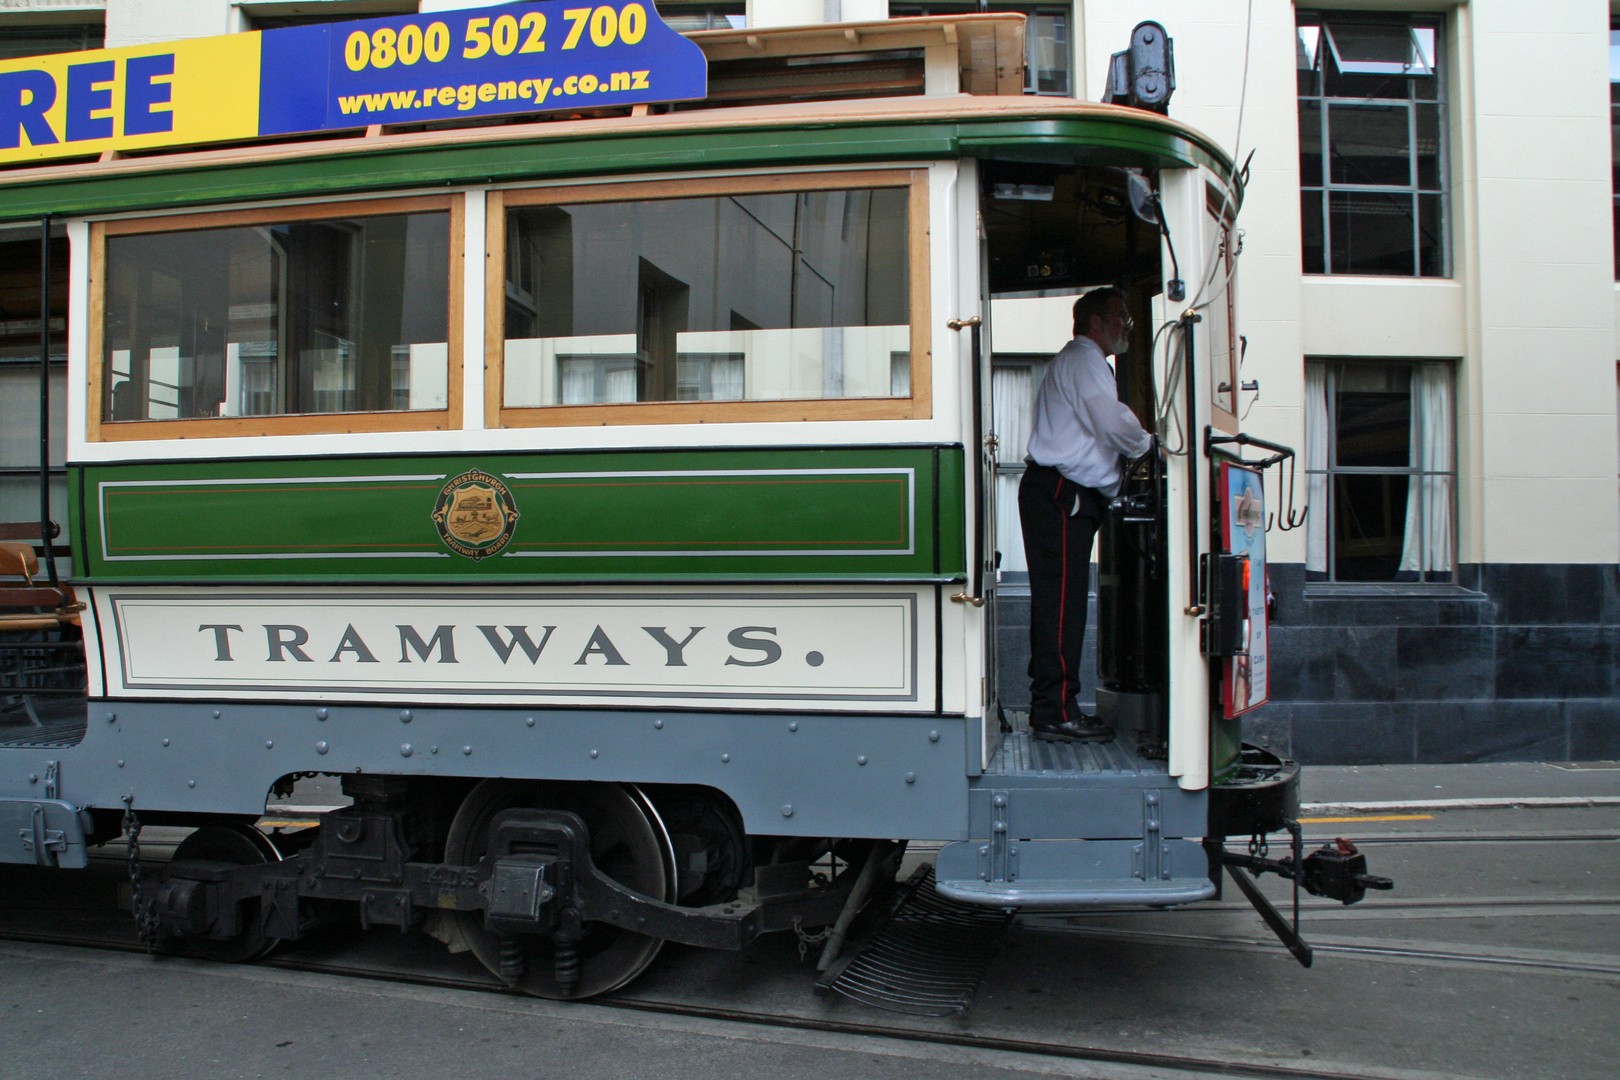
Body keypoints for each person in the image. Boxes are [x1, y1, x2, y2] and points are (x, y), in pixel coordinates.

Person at [1019, 286, 1153, 743]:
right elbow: (1112, 422)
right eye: (1120, 316)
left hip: (1061, 490)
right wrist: (1151, 446)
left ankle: (1055, 705)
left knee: (1062, 602)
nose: (1126, 325)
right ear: (1095, 322)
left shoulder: (1081, 362)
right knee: (1061, 604)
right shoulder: (1084, 359)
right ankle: (1054, 711)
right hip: (1062, 491)